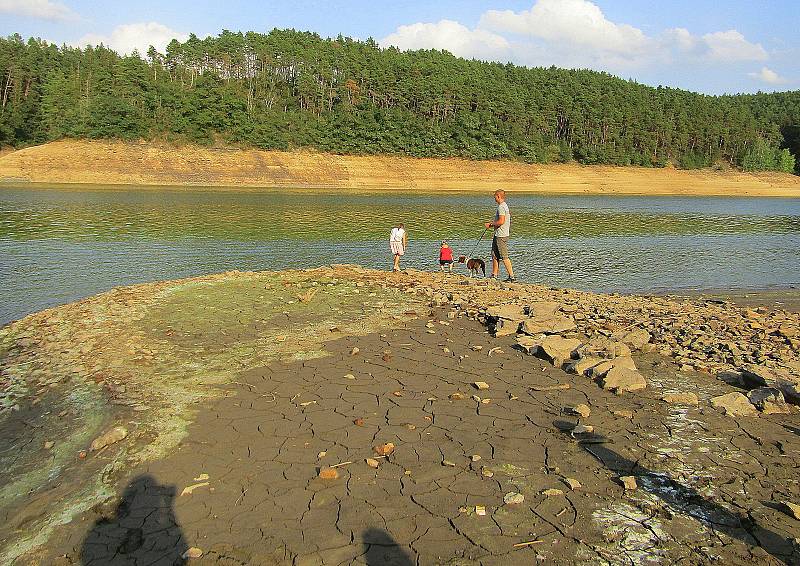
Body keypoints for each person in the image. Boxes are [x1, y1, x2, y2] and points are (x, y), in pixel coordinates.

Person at [484, 189, 516, 282]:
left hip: (501, 235)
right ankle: (494, 275)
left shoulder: (501, 207)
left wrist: (491, 224)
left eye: (495, 196)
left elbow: (501, 221)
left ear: (498, 196)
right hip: (498, 234)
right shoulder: (504, 206)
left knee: (504, 256)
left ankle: (512, 276)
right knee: (494, 254)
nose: (494, 198)